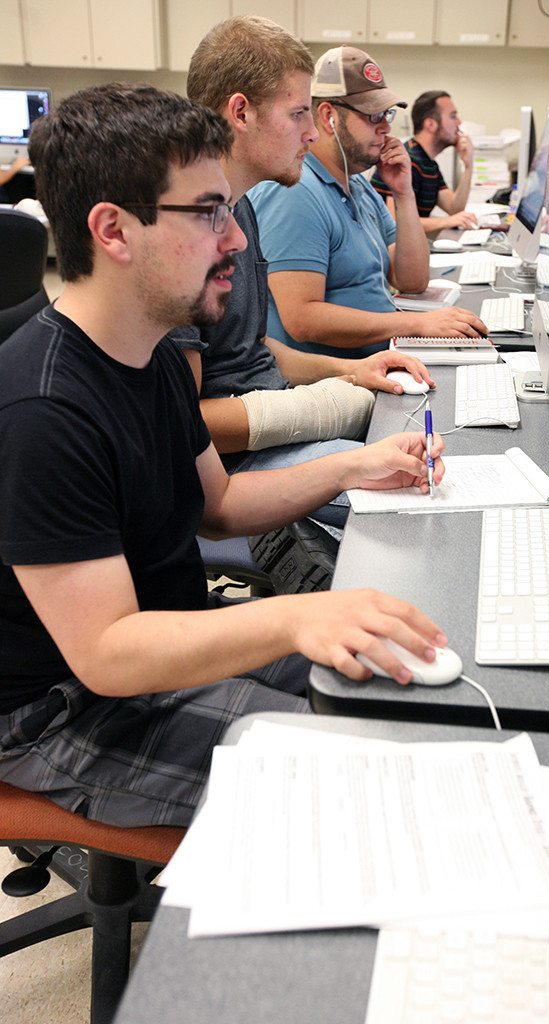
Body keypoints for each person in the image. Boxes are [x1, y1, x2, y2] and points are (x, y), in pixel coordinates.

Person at [0, 83, 449, 828]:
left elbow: (218, 506)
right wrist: (295, 620)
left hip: (160, 634)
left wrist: (352, 468)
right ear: (113, 230)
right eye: (209, 213)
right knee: (364, 790)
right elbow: (107, 652)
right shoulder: (44, 410)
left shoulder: (147, 351)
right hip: (65, 710)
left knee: (394, 688)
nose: (235, 238)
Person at [175, 18, 437, 590]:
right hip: (238, 463)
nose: (308, 133)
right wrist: (325, 412)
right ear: (240, 114)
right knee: (426, 503)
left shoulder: (238, 211)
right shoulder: (186, 240)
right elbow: (181, 426)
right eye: (298, 115)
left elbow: (252, 344)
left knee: (429, 470)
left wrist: (353, 372)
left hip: (272, 421)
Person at [249, 45, 488, 360]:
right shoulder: (295, 192)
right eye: (373, 116)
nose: (386, 128)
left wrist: (404, 193)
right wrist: (415, 324)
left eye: (387, 114)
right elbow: (301, 320)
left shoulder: (358, 184)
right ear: (328, 117)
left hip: (379, 359)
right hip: (335, 382)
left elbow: (411, 280)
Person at [370, 90, 478, 234]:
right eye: (453, 116)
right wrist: (447, 221)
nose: (459, 122)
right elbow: (396, 223)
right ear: (431, 124)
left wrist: (468, 166)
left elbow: (454, 208)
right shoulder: (408, 160)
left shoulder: (428, 163)